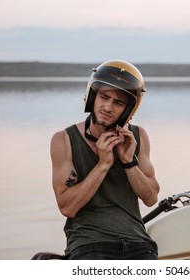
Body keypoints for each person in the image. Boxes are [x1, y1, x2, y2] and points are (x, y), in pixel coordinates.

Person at [50, 60, 160, 260]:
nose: (108, 107)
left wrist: (128, 162)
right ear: (92, 96)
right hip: (89, 242)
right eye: (104, 97)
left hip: (138, 242)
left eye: (118, 103)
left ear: (128, 110)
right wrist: (103, 165)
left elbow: (151, 198)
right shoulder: (64, 140)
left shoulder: (139, 136)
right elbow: (67, 207)